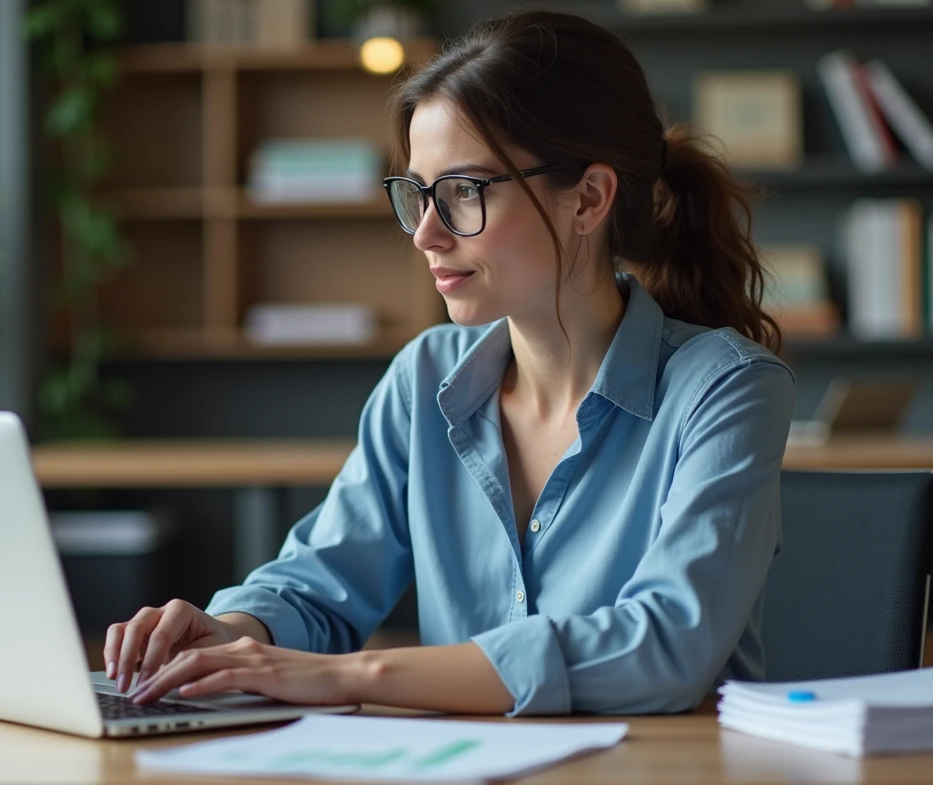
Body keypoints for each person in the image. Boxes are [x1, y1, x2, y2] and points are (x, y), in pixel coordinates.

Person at [105, 8, 795, 716]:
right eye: (418, 195)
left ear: (588, 198)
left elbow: (665, 648)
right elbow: (318, 583)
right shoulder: (424, 377)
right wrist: (229, 634)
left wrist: (353, 676)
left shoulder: (727, 389)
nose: (426, 235)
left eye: (464, 192)